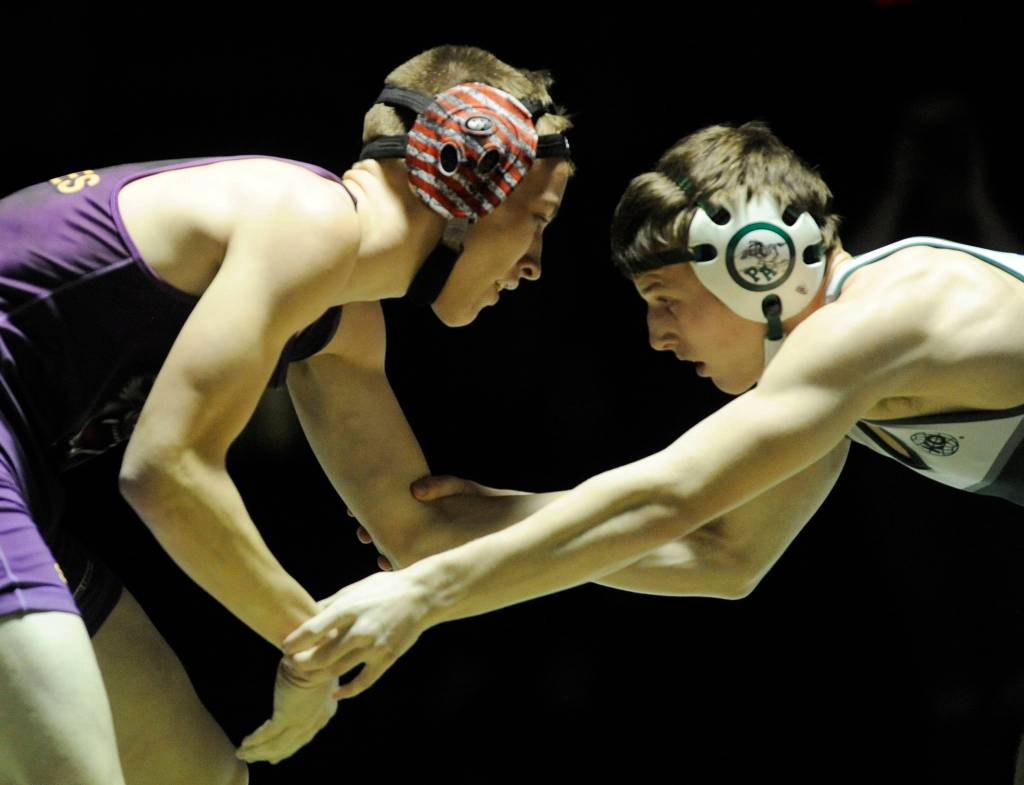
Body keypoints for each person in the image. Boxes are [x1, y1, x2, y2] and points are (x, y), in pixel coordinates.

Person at [282, 120, 1024, 749]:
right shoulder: (828, 372)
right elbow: (722, 555)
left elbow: (672, 493)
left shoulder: (876, 323)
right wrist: (486, 522)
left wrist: (423, 592)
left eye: (665, 299)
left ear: (756, 260)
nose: (656, 335)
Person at [0, 44, 572, 783]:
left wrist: (668, 513)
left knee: (202, 774)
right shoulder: (309, 219)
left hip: (21, 495)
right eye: (539, 218)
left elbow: (419, 532)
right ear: (466, 166)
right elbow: (166, 473)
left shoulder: (344, 319)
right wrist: (313, 652)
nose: (535, 263)